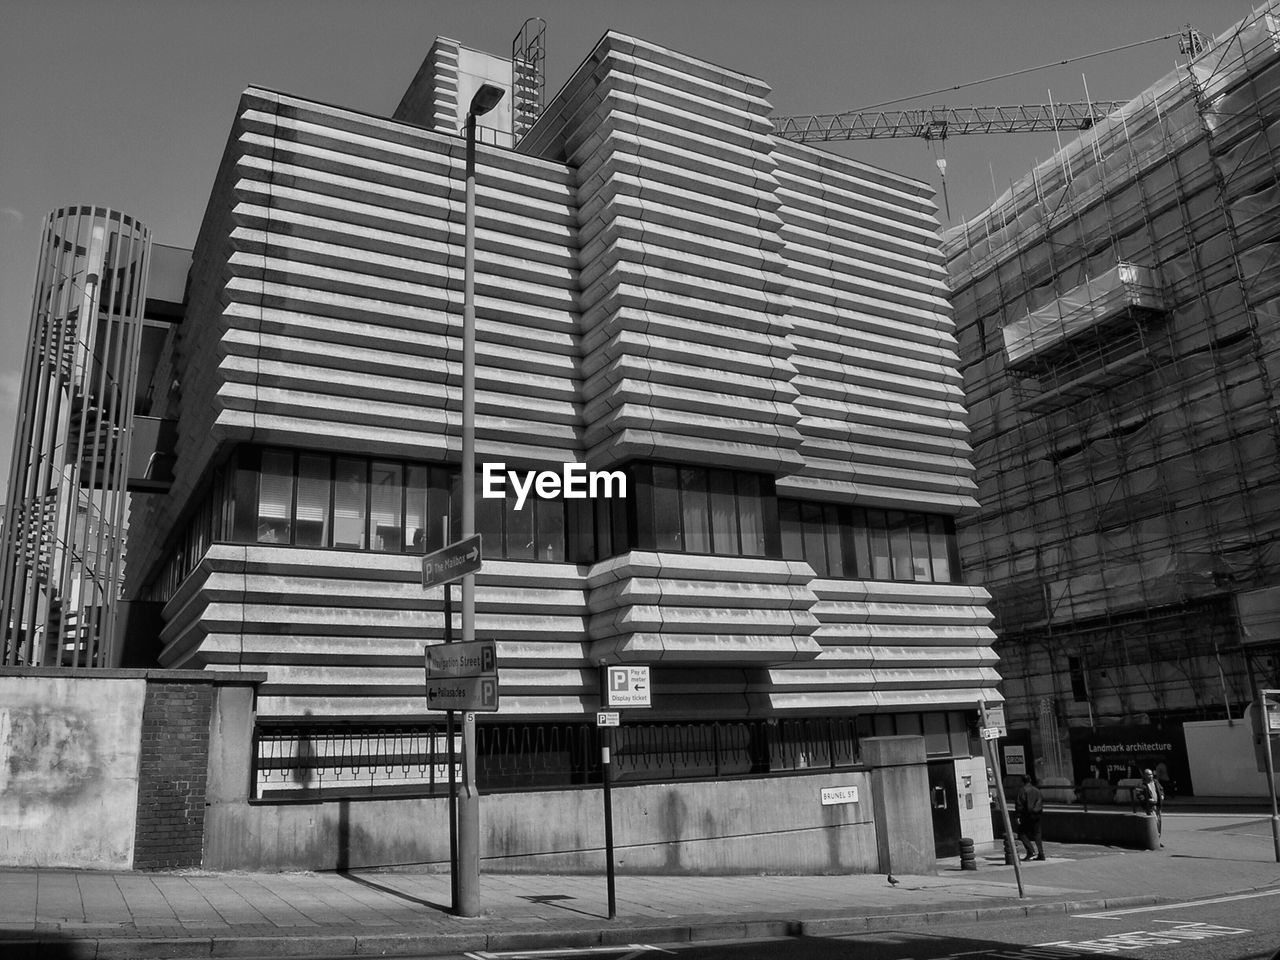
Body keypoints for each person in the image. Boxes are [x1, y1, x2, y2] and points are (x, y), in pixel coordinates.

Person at [1015, 775, 1045, 861]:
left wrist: (1018, 816)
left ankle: (1030, 850)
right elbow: (1041, 801)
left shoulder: (1022, 791)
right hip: (1037, 815)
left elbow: (1019, 805)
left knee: (1021, 833)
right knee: (1037, 834)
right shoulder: (1037, 790)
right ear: (1030, 780)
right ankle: (1041, 853)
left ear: (1022, 781)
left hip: (1026, 815)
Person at [1137, 767, 1164, 843]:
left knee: (1159, 823)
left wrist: (1162, 795)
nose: (1151, 776)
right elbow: (1139, 795)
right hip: (1150, 807)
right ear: (1145, 776)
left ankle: (1158, 839)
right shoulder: (1141, 784)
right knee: (1154, 822)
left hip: (1158, 805)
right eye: (1149, 775)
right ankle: (1155, 840)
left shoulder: (1155, 782)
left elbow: (1161, 789)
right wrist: (1147, 800)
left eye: (1151, 774)